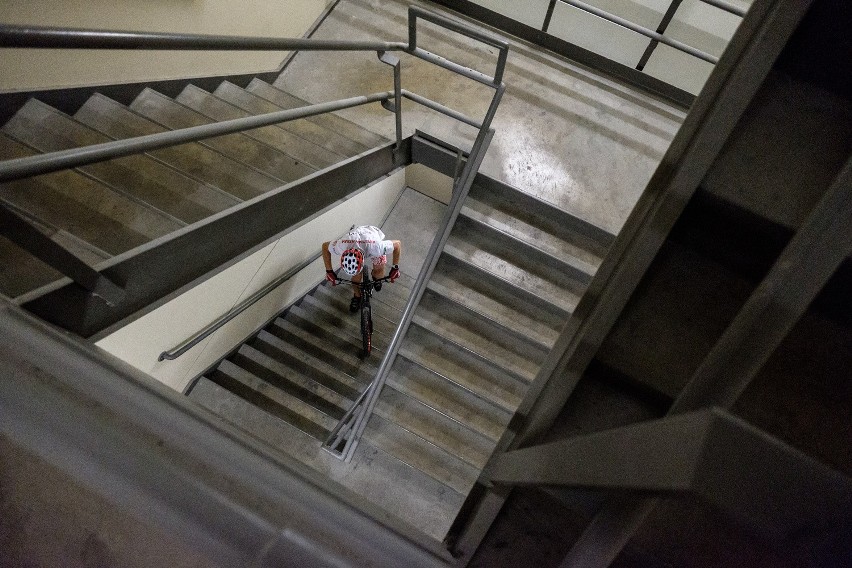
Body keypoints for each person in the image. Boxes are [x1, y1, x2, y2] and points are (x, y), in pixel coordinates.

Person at [322, 225, 401, 312]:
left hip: (372, 237)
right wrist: (329, 271)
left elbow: (397, 244)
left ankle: (376, 278)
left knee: (379, 272)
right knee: (356, 277)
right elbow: (325, 246)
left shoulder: (377, 247)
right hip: (355, 238)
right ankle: (357, 295)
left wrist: (395, 267)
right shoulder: (341, 246)